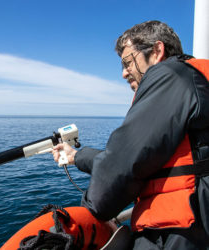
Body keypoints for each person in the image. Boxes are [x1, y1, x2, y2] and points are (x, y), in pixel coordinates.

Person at [52, 20, 209, 249]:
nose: (124, 73)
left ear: (156, 51)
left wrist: (88, 212)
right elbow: (146, 159)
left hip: (176, 236)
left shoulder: (169, 75)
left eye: (128, 62)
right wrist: (76, 156)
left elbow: (123, 164)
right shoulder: (194, 80)